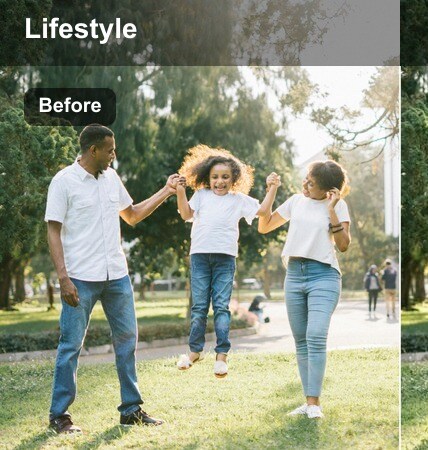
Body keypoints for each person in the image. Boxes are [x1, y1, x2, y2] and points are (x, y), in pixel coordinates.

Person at [44, 124, 172, 433]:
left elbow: (132, 215)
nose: (114, 155)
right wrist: (63, 278)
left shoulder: (111, 178)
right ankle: (59, 415)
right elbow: (53, 229)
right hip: (80, 278)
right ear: (93, 150)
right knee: (71, 345)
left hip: (116, 275)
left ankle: (131, 409)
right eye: (110, 150)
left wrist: (166, 191)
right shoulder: (64, 181)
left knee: (127, 340)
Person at [174, 145, 279, 377]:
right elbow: (186, 214)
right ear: (207, 178)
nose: (219, 182)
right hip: (200, 256)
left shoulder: (238, 200)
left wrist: (272, 189)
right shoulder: (201, 195)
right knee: (199, 307)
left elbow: (262, 211)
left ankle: (221, 356)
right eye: (214, 177)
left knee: (221, 306)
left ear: (234, 179)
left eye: (225, 177)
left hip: (225, 259)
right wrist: (180, 191)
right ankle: (194, 352)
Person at [258, 160, 351, 420]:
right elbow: (263, 226)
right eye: (306, 179)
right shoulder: (296, 201)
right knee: (301, 341)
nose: (305, 185)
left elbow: (343, 245)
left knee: (316, 335)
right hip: (294, 275)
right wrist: (272, 190)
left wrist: (331, 210)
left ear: (329, 190)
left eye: (312, 183)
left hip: (324, 275)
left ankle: (314, 404)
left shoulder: (339, 205)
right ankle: (309, 402)